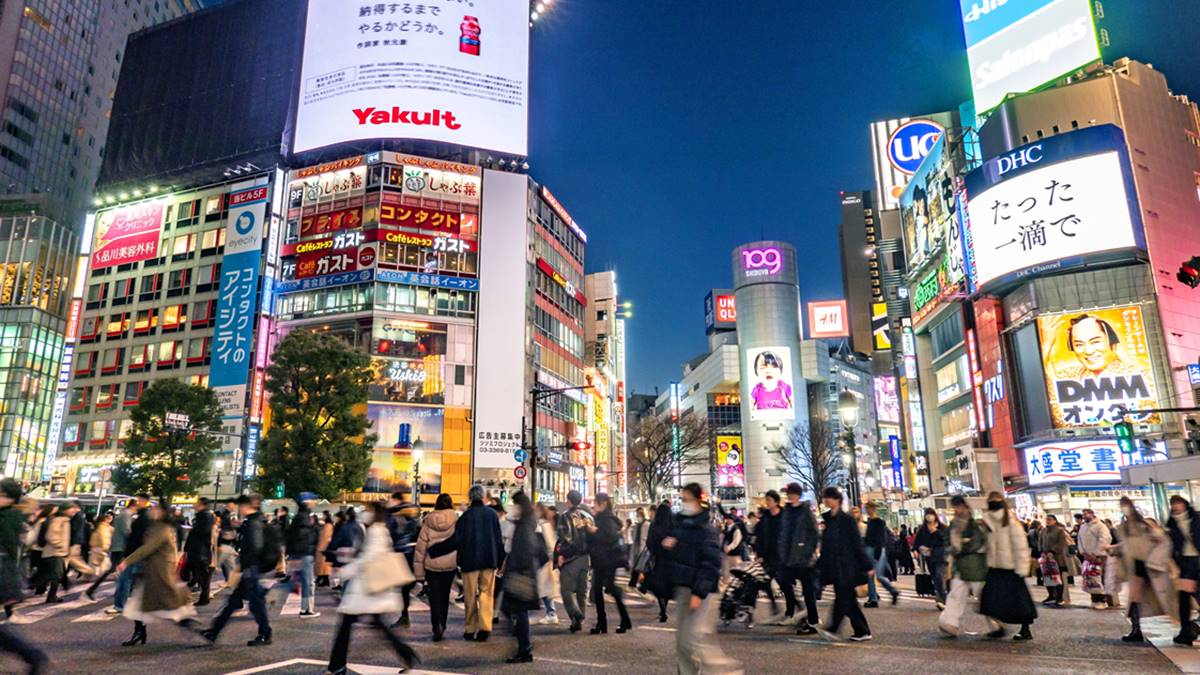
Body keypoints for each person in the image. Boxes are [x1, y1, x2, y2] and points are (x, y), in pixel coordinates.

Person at [324, 501, 418, 675]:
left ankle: (337, 666)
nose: (364, 513)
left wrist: (343, 572)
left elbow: (366, 560)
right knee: (377, 626)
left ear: (375, 513)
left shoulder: (376, 532)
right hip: (369, 591)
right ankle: (406, 655)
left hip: (366, 590)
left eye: (368, 510)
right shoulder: (377, 530)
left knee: (346, 626)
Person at [661, 484, 742, 675]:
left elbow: (710, 563)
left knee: (694, 639)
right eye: (683, 499)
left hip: (700, 592)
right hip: (682, 588)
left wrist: (699, 592)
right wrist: (671, 545)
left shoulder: (706, 529)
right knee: (682, 642)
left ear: (698, 500)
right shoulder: (679, 525)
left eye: (687, 499)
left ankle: (724, 670)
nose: (684, 503)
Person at [114, 503, 197, 646]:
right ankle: (139, 633)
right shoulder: (160, 526)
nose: (152, 511)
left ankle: (195, 629)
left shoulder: (161, 529)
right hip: (152, 571)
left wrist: (126, 562)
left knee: (168, 606)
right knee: (139, 604)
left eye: (155, 509)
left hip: (159, 572)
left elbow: (147, 548)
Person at [201, 494, 274, 646]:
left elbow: (255, 547)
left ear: (246, 506)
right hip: (251, 569)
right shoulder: (255, 521)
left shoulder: (254, 523)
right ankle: (214, 631)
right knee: (235, 602)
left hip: (251, 569)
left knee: (255, 604)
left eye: (241, 506)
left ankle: (265, 633)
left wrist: (246, 567)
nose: (239, 509)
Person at [1111, 496, 1173, 642]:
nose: (1124, 509)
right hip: (1137, 566)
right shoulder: (1124, 527)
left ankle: (1187, 626)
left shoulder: (1144, 524)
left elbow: (1161, 540)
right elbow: (1127, 546)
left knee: (1168, 599)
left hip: (1152, 566)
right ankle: (1136, 629)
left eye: (1125, 506)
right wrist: (1113, 550)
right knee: (1134, 599)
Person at [0, 480, 47, 671]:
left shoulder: (8, 518)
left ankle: (33, 656)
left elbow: (11, 550)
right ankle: (33, 657)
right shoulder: (9, 515)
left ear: (8, 498)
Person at [816, 486, 873, 642]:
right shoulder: (828, 520)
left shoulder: (847, 520)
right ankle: (862, 631)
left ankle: (834, 628)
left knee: (842, 598)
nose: (828, 500)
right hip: (835, 566)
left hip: (848, 566)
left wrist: (867, 565)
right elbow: (826, 546)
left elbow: (857, 544)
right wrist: (820, 565)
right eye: (826, 497)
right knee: (848, 601)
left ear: (838, 500)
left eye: (831, 497)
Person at [978, 492, 1035, 641]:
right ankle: (999, 626)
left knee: (1018, 601)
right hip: (995, 566)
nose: (993, 504)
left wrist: (1022, 567)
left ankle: (1025, 629)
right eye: (991, 501)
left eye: (996, 501)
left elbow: (1020, 545)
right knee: (989, 599)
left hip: (1010, 567)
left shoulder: (1010, 521)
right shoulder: (987, 521)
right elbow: (985, 545)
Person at [501, 492, 547, 664]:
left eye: (515, 504)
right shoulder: (528, 522)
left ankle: (524, 649)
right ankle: (524, 647)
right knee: (518, 612)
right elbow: (541, 553)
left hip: (521, 575)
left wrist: (519, 568)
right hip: (526, 573)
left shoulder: (525, 525)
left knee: (518, 612)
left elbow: (525, 550)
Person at [938, 495, 992, 637]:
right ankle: (950, 624)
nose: (956, 510)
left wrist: (961, 546)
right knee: (956, 594)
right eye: (955, 507)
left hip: (976, 565)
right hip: (960, 567)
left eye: (958, 506)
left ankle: (996, 622)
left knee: (983, 595)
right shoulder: (954, 526)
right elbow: (949, 544)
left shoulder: (976, 525)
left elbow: (980, 544)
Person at [454, 484, 502, 642]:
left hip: (469, 560)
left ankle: (470, 627)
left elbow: (458, 540)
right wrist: (500, 560)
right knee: (486, 593)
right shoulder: (492, 515)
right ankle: (485, 627)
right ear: (483, 497)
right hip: (489, 559)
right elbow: (498, 539)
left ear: (470, 497)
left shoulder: (465, 517)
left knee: (469, 594)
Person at [774, 482, 820, 633]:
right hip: (787, 556)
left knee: (808, 590)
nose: (790, 496)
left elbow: (814, 533)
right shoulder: (786, 511)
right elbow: (782, 532)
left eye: (792, 494)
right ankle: (795, 612)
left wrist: (807, 551)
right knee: (784, 583)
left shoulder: (805, 511)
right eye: (789, 494)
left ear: (798, 495)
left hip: (803, 557)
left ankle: (812, 619)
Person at [413, 493, 457, 642]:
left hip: (432, 565)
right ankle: (442, 625)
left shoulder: (428, 521)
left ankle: (435, 625)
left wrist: (419, 573)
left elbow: (420, 549)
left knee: (434, 597)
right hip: (450, 565)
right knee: (445, 597)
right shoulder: (456, 521)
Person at [587, 493, 631, 634]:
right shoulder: (603, 518)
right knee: (599, 590)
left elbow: (609, 538)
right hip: (603, 560)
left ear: (603, 503)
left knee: (604, 589)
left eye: (596, 503)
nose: (594, 505)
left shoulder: (606, 519)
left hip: (606, 560)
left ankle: (611, 621)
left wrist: (594, 532)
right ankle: (605, 622)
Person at [271, 493, 320, 618]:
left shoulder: (301, 516)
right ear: (306, 502)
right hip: (305, 554)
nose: (315, 502)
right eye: (313, 500)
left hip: (301, 554)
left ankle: (305, 608)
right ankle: (307, 609)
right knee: (308, 582)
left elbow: (293, 536)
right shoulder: (304, 517)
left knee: (302, 581)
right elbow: (301, 537)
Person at [554, 489, 593, 633]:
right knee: (582, 591)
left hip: (572, 558)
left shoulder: (565, 516)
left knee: (566, 590)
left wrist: (562, 555)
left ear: (569, 500)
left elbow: (565, 537)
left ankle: (576, 614)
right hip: (586, 558)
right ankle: (579, 621)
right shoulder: (588, 516)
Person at [1166, 495, 1200, 645]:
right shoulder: (1171, 523)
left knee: (1196, 595)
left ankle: (1191, 629)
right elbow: (1169, 544)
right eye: (1174, 504)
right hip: (1184, 563)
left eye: (1178, 503)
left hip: (1197, 560)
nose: (1176, 507)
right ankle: (1185, 631)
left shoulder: (1196, 518)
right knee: (1184, 598)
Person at [386, 493, 420, 627]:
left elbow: (393, 533)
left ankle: (404, 616)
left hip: (399, 552)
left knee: (401, 586)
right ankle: (404, 615)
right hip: (408, 552)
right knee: (403, 586)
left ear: (397, 500)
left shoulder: (396, 515)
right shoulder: (412, 513)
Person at [752, 491, 783, 617]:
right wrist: (758, 553)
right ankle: (775, 608)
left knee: (783, 582)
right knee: (766, 581)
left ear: (776, 501)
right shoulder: (765, 518)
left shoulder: (784, 516)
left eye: (769, 500)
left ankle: (795, 608)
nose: (767, 502)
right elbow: (758, 535)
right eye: (767, 500)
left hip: (780, 555)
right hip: (767, 555)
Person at [863, 502, 899, 607]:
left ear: (872, 509)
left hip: (876, 549)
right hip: (872, 549)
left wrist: (877, 552)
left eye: (868, 508)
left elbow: (880, 539)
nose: (867, 510)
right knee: (870, 575)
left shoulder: (878, 522)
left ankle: (893, 591)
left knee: (878, 576)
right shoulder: (870, 522)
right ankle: (873, 598)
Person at [1077, 508, 1113, 610]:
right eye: (1083, 515)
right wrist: (1082, 552)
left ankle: (1102, 600)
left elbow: (1105, 539)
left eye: (1086, 514)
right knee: (1089, 578)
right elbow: (1079, 540)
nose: (1084, 516)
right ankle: (1094, 599)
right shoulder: (1083, 527)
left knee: (1099, 578)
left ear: (1092, 514)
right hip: (1087, 557)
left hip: (1099, 556)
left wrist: (1096, 553)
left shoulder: (1100, 526)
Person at [183, 497, 216, 607]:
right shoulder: (203, 516)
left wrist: (192, 531)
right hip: (197, 550)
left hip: (199, 551)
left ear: (202, 504)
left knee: (201, 575)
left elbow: (204, 532)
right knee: (197, 574)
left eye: (197, 503)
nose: (195, 504)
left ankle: (203, 597)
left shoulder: (205, 516)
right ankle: (201, 596)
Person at [645, 501, 674, 622]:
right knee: (667, 586)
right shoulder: (673, 526)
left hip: (657, 559)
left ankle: (662, 609)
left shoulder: (654, 525)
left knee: (657, 585)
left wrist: (654, 552)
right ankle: (664, 608)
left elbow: (649, 543)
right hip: (671, 560)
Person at [914, 508, 948, 608]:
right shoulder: (922, 530)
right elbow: (917, 542)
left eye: (931, 514)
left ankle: (943, 600)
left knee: (939, 576)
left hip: (941, 556)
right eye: (927, 514)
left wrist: (936, 531)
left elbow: (946, 540)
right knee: (935, 578)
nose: (929, 516)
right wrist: (915, 550)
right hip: (929, 557)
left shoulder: (942, 528)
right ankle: (941, 600)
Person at [1040, 515, 1074, 606]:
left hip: (1057, 558)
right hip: (1045, 558)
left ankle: (1059, 597)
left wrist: (1052, 551)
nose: (1048, 521)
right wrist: (1042, 552)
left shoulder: (1060, 530)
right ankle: (1051, 595)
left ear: (1055, 521)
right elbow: (1040, 542)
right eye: (1046, 519)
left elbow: (1062, 543)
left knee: (1057, 578)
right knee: (1047, 577)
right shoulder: (1043, 531)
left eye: (1050, 519)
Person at [534, 503, 559, 625]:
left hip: (543, 561)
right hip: (543, 560)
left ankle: (551, 613)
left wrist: (550, 557)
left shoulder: (542, 524)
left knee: (544, 589)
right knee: (544, 589)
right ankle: (550, 613)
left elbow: (550, 544)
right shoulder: (545, 523)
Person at [40, 506, 69, 604]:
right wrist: (60, 545)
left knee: (55, 575)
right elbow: (50, 536)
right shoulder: (59, 521)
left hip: (57, 552)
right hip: (54, 552)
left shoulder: (63, 521)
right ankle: (51, 596)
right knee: (56, 575)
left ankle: (51, 594)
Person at [627, 507, 649, 589]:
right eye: (637, 514)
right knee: (636, 565)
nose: (638, 516)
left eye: (639, 514)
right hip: (635, 546)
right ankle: (633, 583)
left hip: (643, 547)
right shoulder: (636, 525)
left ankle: (638, 584)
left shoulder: (647, 525)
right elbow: (634, 536)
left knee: (641, 566)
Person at [88, 512, 114, 578]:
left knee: (95, 564)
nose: (110, 520)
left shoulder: (100, 526)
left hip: (95, 547)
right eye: (108, 519)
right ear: (105, 520)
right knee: (104, 565)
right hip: (100, 548)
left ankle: (91, 576)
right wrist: (106, 547)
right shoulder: (103, 527)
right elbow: (104, 537)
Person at [720, 511, 745, 580]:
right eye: (727, 519)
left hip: (735, 554)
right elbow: (722, 538)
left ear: (732, 520)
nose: (727, 520)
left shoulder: (736, 529)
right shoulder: (725, 528)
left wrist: (729, 548)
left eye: (729, 519)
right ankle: (727, 585)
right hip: (726, 554)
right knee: (726, 572)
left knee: (736, 571)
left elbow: (736, 541)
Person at [315, 511, 334, 588]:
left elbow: (325, 537)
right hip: (323, 547)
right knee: (323, 565)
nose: (322, 517)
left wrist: (320, 547)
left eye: (323, 515)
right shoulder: (327, 525)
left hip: (323, 547)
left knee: (323, 565)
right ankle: (324, 579)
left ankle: (324, 580)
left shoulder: (328, 526)